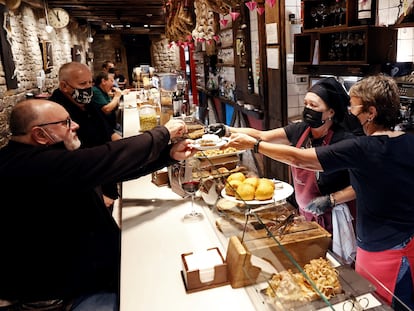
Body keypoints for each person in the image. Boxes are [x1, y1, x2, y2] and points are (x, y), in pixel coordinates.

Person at [222, 75, 414, 310]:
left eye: (354, 106)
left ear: (371, 112)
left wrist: (254, 146)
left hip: (385, 251)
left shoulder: (362, 147)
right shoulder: (408, 141)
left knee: (378, 304)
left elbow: (298, 158)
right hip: (398, 242)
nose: (350, 111)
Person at [0, 99, 194, 310]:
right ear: (39, 134)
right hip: (64, 295)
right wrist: (163, 132)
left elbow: (107, 171)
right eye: (65, 122)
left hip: (84, 275)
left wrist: (168, 155)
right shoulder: (32, 166)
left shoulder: (41, 157)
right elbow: (108, 157)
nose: (75, 125)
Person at [209, 77, 359, 262]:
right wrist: (227, 130)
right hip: (306, 214)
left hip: (334, 217)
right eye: (306, 103)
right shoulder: (301, 130)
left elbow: (359, 185)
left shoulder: (344, 141)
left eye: (314, 105)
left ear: (330, 112)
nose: (307, 109)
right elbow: (261, 135)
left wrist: (331, 199)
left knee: (334, 262)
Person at [49, 62, 121, 211]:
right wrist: (95, 194)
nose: (88, 88)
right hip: (87, 189)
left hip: (105, 173)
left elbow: (109, 133)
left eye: (90, 82)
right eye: (83, 84)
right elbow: (64, 164)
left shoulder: (88, 102)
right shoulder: (54, 112)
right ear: (64, 86)